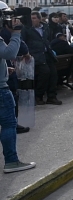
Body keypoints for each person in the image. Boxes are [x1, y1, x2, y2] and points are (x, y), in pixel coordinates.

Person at [0, 11, 35, 173]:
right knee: (9, 124)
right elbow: (9, 53)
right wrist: (15, 34)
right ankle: (11, 161)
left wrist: (4, 69)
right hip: (1, 90)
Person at [22, 12, 61, 105]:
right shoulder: (27, 29)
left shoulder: (45, 27)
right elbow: (23, 41)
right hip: (35, 55)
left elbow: (48, 39)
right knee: (45, 72)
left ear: (39, 19)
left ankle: (51, 96)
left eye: (34, 18)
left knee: (53, 73)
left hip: (46, 53)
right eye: (31, 18)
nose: (32, 20)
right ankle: (39, 96)